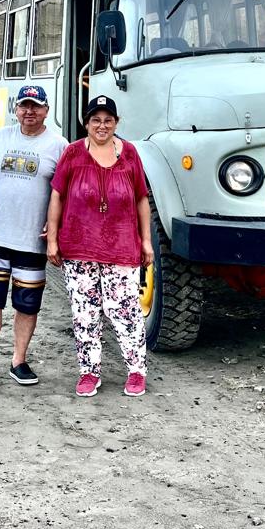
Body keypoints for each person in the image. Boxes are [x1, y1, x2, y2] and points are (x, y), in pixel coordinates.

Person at [0, 85, 68, 394]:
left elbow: (68, 190)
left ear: (47, 110)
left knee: (27, 306)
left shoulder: (59, 145)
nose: (29, 111)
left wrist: (56, 226)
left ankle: (19, 361)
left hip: (32, 240)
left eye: (36, 106)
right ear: (16, 109)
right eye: (24, 105)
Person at [46, 95, 153, 398]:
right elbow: (57, 196)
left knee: (125, 311)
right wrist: (53, 239)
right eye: (96, 120)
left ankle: (136, 370)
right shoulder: (72, 154)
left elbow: (142, 198)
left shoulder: (130, 153)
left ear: (116, 123)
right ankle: (89, 372)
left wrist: (146, 241)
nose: (102, 125)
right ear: (86, 123)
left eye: (108, 120)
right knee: (84, 312)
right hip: (78, 247)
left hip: (121, 247)